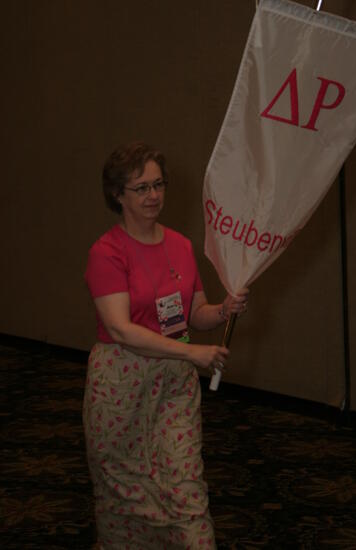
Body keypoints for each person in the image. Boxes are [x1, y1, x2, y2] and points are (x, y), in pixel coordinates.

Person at [83, 142, 248, 549]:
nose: (153, 195)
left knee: (186, 486)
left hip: (173, 385)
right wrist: (193, 353)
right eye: (141, 188)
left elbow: (194, 314)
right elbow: (121, 330)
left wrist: (224, 309)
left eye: (158, 184)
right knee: (123, 492)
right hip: (120, 382)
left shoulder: (179, 245)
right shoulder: (106, 253)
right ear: (118, 195)